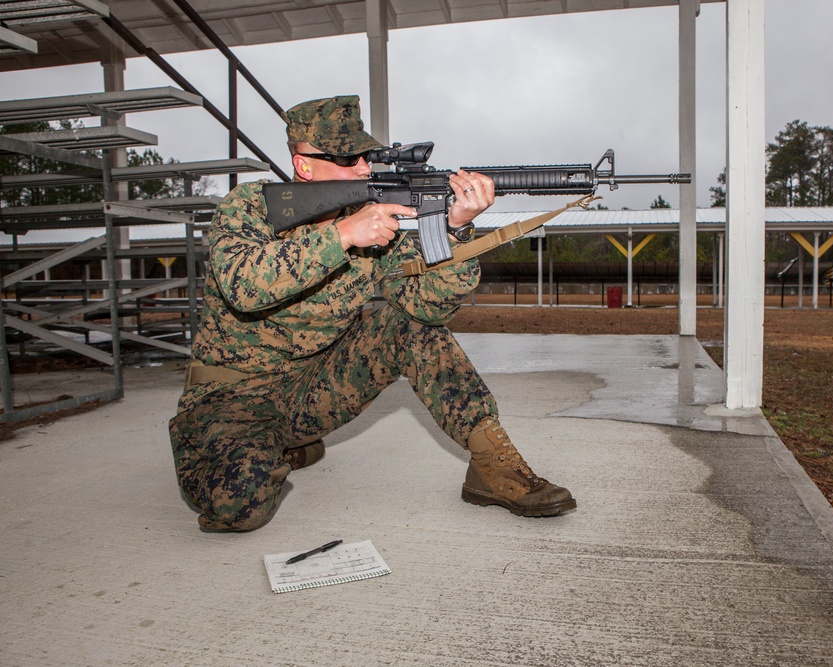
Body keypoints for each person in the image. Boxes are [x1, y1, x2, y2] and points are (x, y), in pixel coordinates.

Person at [168, 95, 576, 531]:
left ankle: (493, 467)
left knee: (405, 325)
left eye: (365, 156)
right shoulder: (250, 206)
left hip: (310, 390)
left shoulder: (373, 222)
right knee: (239, 507)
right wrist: (342, 234)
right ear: (304, 166)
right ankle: (240, 445)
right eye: (348, 158)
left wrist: (454, 230)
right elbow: (242, 287)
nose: (364, 168)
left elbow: (427, 307)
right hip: (230, 397)